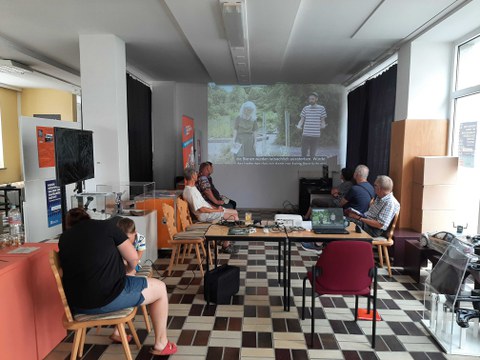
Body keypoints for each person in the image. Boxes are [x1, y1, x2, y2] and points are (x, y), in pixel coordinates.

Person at [59, 208, 177, 356]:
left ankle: (117, 333)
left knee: (108, 282)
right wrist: (130, 272)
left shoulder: (64, 239)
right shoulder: (107, 227)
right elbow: (133, 258)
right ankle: (161, 344)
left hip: (78, 306)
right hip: (109, 298)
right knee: (160, 288)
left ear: (69, 225)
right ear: (89, 218)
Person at [182, 167, 239, 254]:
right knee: (234, 216)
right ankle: (225, 245)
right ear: (193, 176)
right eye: (196, 173)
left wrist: (216, 208)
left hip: (208, 212)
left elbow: (204, 204)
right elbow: (202, 209)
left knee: (235, 212)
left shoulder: (191, 188)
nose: (197, 174)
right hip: (204, 215)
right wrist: (217, 211)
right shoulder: (190, 191)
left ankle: (224, 239)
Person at [296, 92, 327, 157]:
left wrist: (323, 125)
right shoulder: (305, 108)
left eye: (312, 99)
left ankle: (311, 166)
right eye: (310, 99)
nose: (311, 100)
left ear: (316, 99)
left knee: (313, 153)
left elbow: (323, 121)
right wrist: (299, 126)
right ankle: (303, 165)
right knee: (303, 152)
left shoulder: (321, 108)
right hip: (306, 134)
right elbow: (301, 120)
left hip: (315, 135)